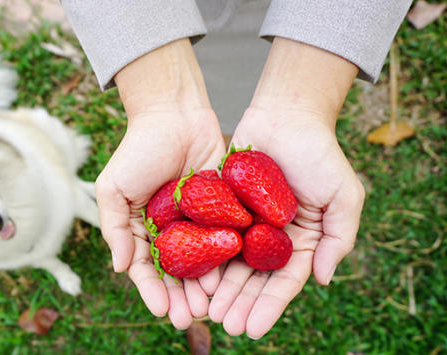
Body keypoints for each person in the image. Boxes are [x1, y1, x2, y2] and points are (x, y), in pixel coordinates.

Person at [60, 0, 412, 339]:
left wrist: (303, 98)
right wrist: (161, 97)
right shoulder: (232, 218)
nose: (238, 228)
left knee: (251, 54)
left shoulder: (240, 211)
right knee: (216, 59)